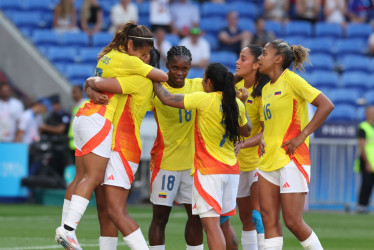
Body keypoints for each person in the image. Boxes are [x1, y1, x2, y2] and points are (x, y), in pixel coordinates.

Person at [55, 22, 168, 250]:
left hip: (122, 147)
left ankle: (66, 229)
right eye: (142, 54)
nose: (142, 59)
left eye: (146, 56)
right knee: (106, 211)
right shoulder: (132, 71)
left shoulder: (136, 78)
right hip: (109, 138)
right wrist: (92, 87)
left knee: (113, 211)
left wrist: (90, 85)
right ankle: (66, 230)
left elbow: (98, 81)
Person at [153, 63, 252, 250]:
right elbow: (247, 131)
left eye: (204, 78)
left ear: (209, 83)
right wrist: (243, 104)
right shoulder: (236, 103)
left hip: (209, 171)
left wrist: (153, 77)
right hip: (231, 171)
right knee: (224, 223)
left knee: (211, 227)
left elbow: (167, 99)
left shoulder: (204, 99)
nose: (202, 81)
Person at [257, 39, 334, 249]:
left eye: (264, 53)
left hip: (291, 158)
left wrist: (303, 135)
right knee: (269, 220)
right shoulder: (265, 89)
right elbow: (270, 126)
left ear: (278, 59)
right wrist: (263, 139)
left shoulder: (292, 80)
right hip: (267, 160)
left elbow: (326, 105)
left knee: (292, 221)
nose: (260, 57)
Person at [148, 46, 204, 250]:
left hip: (192, 165)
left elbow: (227, 81)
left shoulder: (198, 86)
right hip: (165, 163)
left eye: (185, 68)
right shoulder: (154, 89)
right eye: (174, 67)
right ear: (166, 66)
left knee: (196, 217)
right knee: (160, 219)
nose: (179, 73)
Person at [234, 45, 270, 250]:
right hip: (238, 164)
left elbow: (267, 131)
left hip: (258, 162)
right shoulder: (233, 87)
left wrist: (245, 143)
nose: (238, 62)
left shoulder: (264, 92)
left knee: (258, 216)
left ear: (257, 64)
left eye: (243, 58)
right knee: (245, 220)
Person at [39, 94, 71, 178]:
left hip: (61, 148)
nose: (51, 107)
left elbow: (60, 129)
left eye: (53, 105)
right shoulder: (51, 116)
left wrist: (46, 128)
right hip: (50, 147)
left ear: (57, 104)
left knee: (59, 171)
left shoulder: (63, 115)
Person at [355, 106, 374, 214]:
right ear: (367, 113)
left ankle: (365, 205)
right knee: (366, 184)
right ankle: (361, 206)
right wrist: (367, 162)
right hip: (366, 160)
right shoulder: (363, 127)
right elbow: (361, 146)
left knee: (370, 185)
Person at [68, 85, 89, 161]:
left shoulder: (86, 104)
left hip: (81, 144)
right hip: (74, 143)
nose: (73, 95)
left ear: (81, 92)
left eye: (75, 92)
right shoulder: (76, 106)